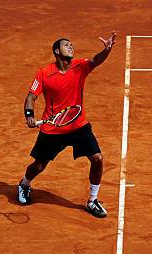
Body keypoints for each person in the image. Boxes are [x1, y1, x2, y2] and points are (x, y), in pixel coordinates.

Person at [17, 32, 117, 218]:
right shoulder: (44, 73)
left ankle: (92, 200)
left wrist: (107, 50)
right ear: (57, 51)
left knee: (97, 158)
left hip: (78, 124)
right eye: (66, 45)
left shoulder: (80, 66)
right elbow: (31, 97)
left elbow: (96, 60)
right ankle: (24, 184)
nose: (71, 47)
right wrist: (29, 115)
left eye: (71, 45)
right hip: (53, 129)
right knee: (38, 166)